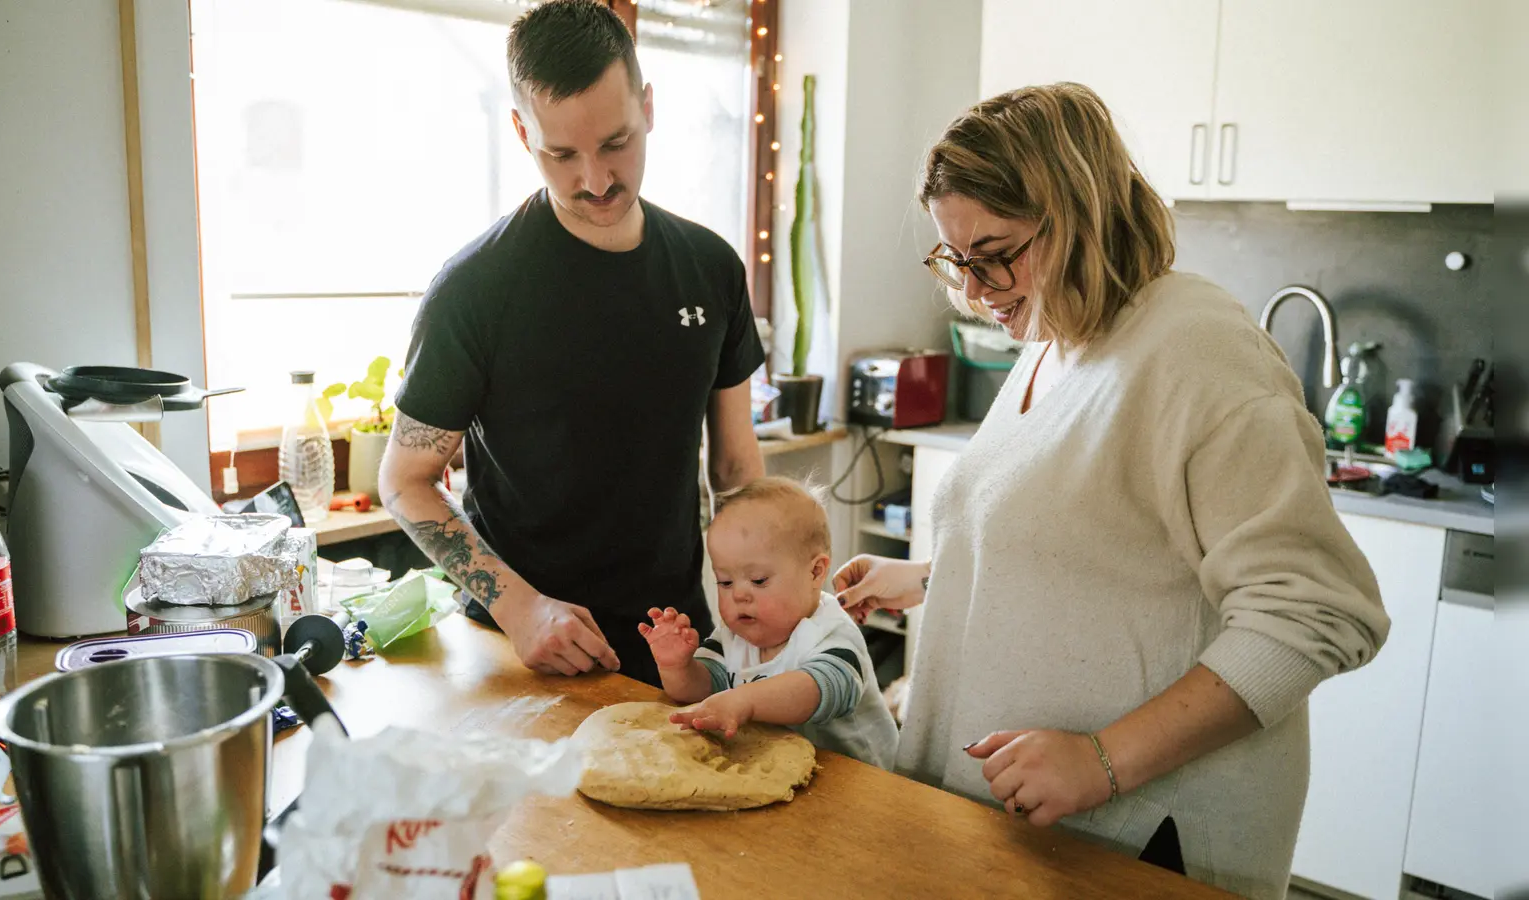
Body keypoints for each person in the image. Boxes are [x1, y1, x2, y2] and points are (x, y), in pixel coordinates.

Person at [832, 83, 1389, 900]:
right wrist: (926, 579)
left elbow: (1316, 613)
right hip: (1024, 830)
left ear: (1079, 210)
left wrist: (1104, 760)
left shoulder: (1198, 351)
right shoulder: (1058, 333)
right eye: (958, 259)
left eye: (997, 251)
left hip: (1143, 836)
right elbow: (1087, 547)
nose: (978, 288)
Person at [379, 0, 765, 688]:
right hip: (520, 652)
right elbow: (405, 481)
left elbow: (736, 470)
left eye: (617, 142)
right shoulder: (476, 289)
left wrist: (780, 592)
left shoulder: (712, 268)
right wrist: (522, 611)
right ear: (522, 131)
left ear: (648, 106)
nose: (596, 179)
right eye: (560, 154)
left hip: (676, 651)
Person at [640, 477, 898, 769]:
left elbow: (819, 689)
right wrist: (679, 667)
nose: (738, 594)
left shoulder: (831, 632)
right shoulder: (734, 635)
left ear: (815, 572)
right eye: (725, 582)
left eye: (758, 580)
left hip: (860, 782)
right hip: (784, 769)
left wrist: (744, 701)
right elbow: (703, 692)